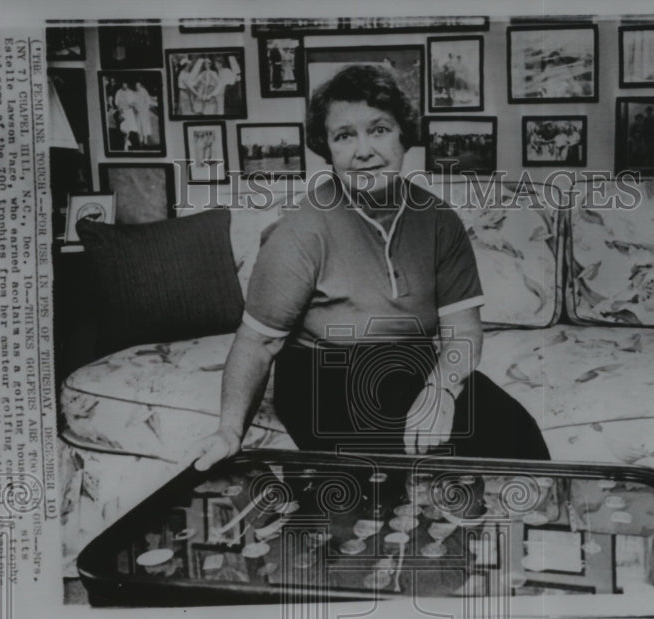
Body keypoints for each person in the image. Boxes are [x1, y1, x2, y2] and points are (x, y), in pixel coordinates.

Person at [192, 64, 549, 471]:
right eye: (345, 136)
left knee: (519, 433)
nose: (364, 151)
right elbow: (258, 343)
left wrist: (441, 391)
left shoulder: (439, 221)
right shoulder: (300, 232)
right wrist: (229, 430)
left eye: (378, 129)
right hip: (323, 374)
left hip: (410, 365)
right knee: (396, 462)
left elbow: (463, 330)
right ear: (327, 149)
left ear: (403, 136)